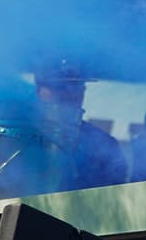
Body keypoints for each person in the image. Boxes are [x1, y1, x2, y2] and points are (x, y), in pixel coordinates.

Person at [34, 60, 129, 190]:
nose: (69, 94)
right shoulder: (17, 136)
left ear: (84, 91)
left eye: (76, 87)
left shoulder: (106, 146)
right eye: (59, 87)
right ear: (38, 91)